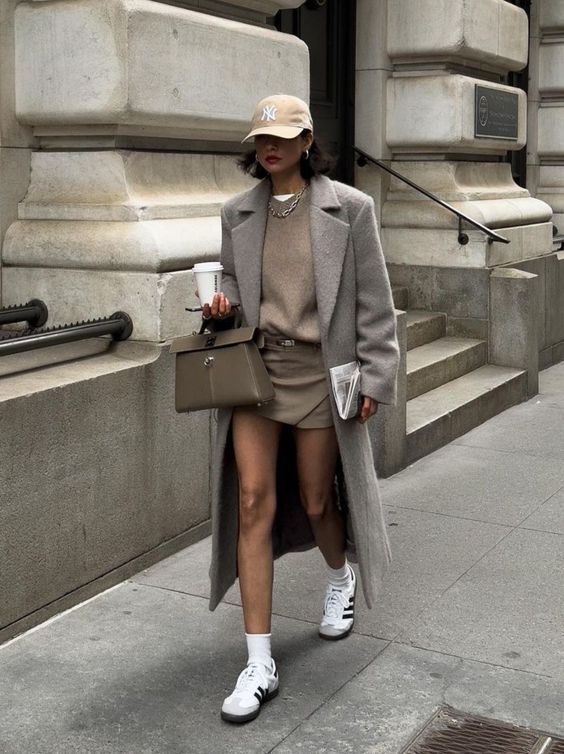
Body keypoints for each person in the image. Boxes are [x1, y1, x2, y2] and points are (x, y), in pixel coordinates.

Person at [201, 94, 399, 724]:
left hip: (320, 374)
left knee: (316, 500)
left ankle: (338, 576)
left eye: (284, 136)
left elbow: (373, 301)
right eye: (262, 137)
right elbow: (233, 283)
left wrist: (377, 375)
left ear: (308, 141)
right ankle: (259, 662)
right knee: (252, 501)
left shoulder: (350, 208)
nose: (271, 146)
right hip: (256, 373)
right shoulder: (238, 212)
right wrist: (222, 304)